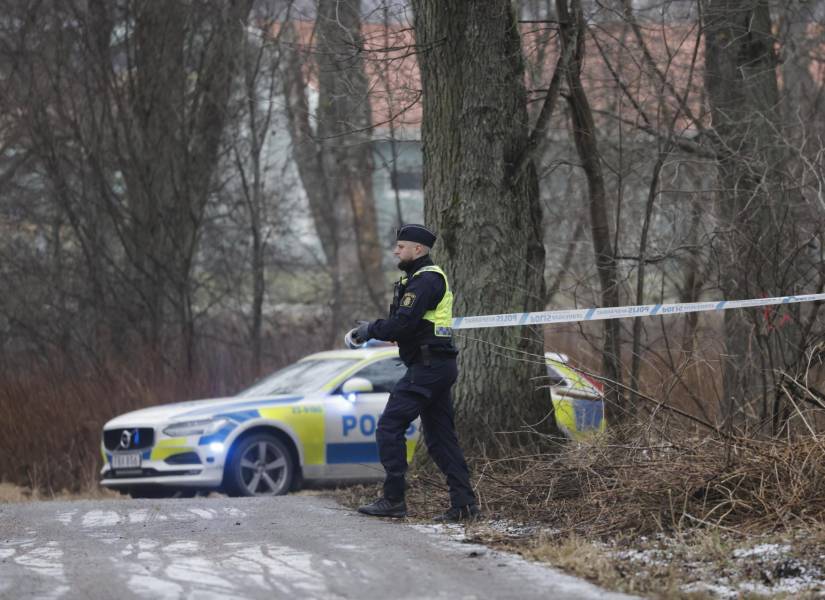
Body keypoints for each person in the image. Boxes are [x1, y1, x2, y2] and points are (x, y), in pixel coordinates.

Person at [348, 224, 479, 521]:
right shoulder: (418, 279)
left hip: (428, 367)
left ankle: (393, 499)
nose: (396, 250)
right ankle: (465, 505)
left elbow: (403, 325)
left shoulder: (426, 280)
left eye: (402, 246)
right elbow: (409, 326)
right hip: (434, 365)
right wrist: (379, 329)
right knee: (440, 439)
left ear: (418, 250)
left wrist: (369, 330)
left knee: (389, 427)